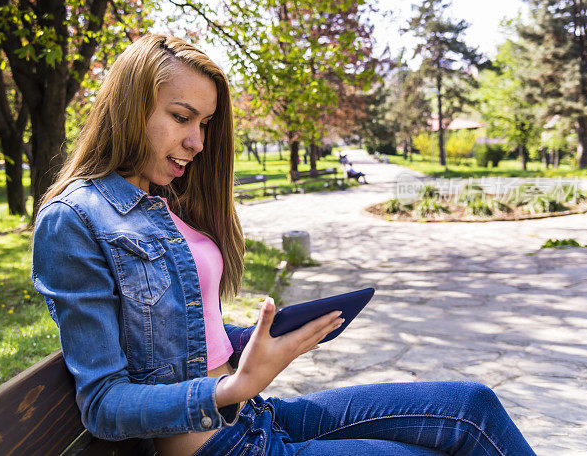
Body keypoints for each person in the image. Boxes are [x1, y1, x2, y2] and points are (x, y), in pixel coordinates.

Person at [32, 34, 536, 455]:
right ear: (128, 108)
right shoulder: (73, 220)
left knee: (472, 406)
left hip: (254, 416)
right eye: (182, 117)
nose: (197, 142)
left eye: (204, 124)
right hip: (227, 445)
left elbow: (169, 332)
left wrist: (262, 338)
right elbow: (102, 403)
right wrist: (234, 386)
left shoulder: (159, 200)